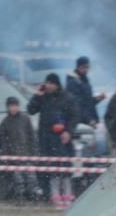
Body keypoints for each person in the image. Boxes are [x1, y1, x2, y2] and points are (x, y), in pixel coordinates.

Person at [28, 73, 79, 208]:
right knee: (51, 168)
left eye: (50, 83)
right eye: (46, 83)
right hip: (46, 139)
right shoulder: (42, 97)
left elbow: (74, 117)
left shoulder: (67, 98)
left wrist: (69, 131)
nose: (48, 86)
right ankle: (54, 194)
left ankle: (68, 194)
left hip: (62, 139)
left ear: (56, 85)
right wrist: (36, 95)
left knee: (65, 167)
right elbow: (30, 110)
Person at [0, 96, 36, 204]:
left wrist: (33, 152)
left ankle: (32, 196)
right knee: (18, 179)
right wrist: (6, 156)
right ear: (8, 108)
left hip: (26, 153)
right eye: (11, 106)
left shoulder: (25, 119)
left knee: (31, 177)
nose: (13, 108)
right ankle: (20, 197)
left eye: (15, 106)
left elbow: (31, 136)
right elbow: (3, 142)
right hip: (13, 156)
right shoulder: (5, 122)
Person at [65, 56, 105, 128]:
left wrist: (98, 99)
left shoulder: (84, 80)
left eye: (87, 67)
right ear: (78, 67)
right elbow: (76, 104)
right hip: (81, 123)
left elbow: (87, 102)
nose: (86, 70)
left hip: (89, 121)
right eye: (84, 67)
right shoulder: (73, 82)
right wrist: (88, 120)